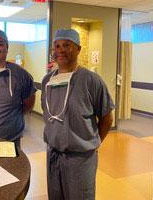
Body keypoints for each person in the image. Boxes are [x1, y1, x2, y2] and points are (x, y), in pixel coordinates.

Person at [41, 29, 114, 200]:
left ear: (78, 49)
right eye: (57, 46)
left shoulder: (91, 80)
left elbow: (106, 118)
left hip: (80, 159)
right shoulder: (47, 81)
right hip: (53, 155)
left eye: (67, 45)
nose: (60, 50)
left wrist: (90, 144)